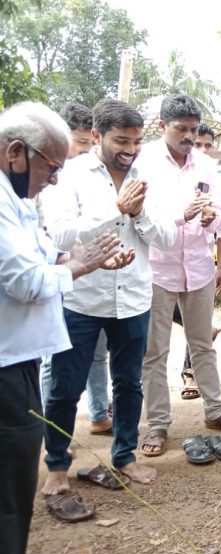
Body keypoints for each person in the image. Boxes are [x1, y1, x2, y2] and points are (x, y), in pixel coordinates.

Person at [0, 101, 124, 554]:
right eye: (50, 167)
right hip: (6, 366)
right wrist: (80, 265)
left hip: (19, 357)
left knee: (13, 477)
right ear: (16, 152)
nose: (54, 179)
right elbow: (27, 281)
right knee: (9, 483)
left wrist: (71, 255)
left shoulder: (18, 199)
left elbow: (39, 251)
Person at [40, 98, 175, 516]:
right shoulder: (71, 173)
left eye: (136, 141)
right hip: (82, 296)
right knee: (66, 385)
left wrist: (137, 216)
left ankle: (123, 456)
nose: (130, 150)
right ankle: (57, 467)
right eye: (121, 140)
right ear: (96, 136)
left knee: (129, 383)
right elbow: (60, 234)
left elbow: (167, 236)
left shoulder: (147, 173)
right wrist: (114, 210)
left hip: (133, 296)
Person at [138, 94, 221, 458]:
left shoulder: (204, 163)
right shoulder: (145, 162)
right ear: (161, 126)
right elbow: (140, 217)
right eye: (180, 129)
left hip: (198, 268)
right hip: (158, 268)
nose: (188, 136)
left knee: (202, 345)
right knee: (155, 352)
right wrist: (182, 215)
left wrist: (208, 218)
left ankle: (215, 411)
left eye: (192, 129)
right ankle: (157, 424)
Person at [38, 103, 111, 436]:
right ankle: (45, 426)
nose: (85, 150)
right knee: (52, 357)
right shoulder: (45, 178)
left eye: (89, 143)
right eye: (80, 142)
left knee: (96, 353)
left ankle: (99, 414)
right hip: (51, 276)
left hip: (86, 276)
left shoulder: (90, 176)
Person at [173, 122, 221, 401]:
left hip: (200, 263)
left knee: (198, 333)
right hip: (165, 265)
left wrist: (220, 268)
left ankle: (192, 376)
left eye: (208, 144)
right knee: (194, 327)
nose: (203, 149)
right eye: (198, 144)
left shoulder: (214, 178)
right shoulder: (171, 174)